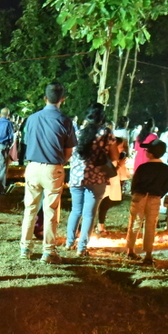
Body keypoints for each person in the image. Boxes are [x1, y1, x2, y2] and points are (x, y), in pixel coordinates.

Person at [19, 82, 76, 263]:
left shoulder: (32, 119)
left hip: (32, 167)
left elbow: (26, 142)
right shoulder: (65, 121)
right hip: (53, 168)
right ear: (62, 100)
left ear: (45, 98)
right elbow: (69, 151)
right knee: (51, 211)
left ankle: (25, 248)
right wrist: (59, 163)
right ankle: (48, 251)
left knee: (30, 209)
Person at [67, 103, 118, 257]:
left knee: (75, 210)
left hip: (76, 177)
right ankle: (81, 248)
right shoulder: (106, 134)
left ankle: (69, 242)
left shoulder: (77, 133)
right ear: (102, 117)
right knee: (89, 214)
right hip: (97, 178)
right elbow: (115, 156)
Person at [126, 140, 168, 265]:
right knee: (151, 225)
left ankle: (130, 250)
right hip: (155, 198)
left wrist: (135, 192)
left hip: (140, 196)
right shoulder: (166, 169)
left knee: (135, 223)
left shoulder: (143, 167)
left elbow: (135, 183)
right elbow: (165, 186)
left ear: (150, 154)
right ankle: (148, 254)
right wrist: (158, 195)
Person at [96, 137, 129, 234]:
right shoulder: (107, 159)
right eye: (120, 147)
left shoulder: (117, 158)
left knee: (105, 205)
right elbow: (110, 172)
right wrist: (119, 165)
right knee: (99, 205)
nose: (122, 149)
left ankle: (100, 225)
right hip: (106, 185)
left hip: (112, 185)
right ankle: (96, 226)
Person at [0, 108, 15, 194]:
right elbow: (11, 136)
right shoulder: (8, 123)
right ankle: (0, 188)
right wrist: (9, 146)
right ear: (8, 114)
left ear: (0, 114)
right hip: (3, 146)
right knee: (2, 168)